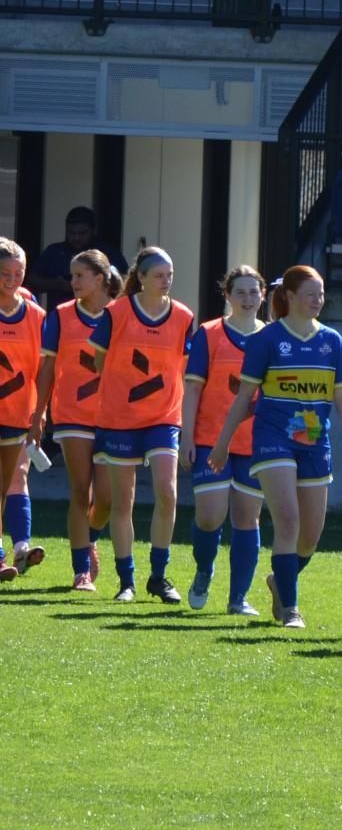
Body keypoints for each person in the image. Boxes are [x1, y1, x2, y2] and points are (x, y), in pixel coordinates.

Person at [207, 266, 342, 630]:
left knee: (311, 534)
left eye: (321, 293)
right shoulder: (267, 340)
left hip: (315, 444)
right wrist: (222, 444)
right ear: (289, 296)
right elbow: (243, 399)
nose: (318, 300)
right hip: (273, 439)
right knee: (287, 520)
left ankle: (279, 580)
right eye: (311, 293)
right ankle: (291, 609)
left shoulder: (334, 341)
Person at [87, 246, 195, 604]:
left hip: (164, 417)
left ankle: (159, 576)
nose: (167, 281)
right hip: (120, 419)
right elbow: (99, 361)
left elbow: (181, 366)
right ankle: (126, 581)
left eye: (171, 275)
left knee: (168, 491)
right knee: (124, 501)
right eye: (160, 275)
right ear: (143, 278)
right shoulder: (116, 314)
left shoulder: (182, 316)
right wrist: (119, 395)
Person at [179, 265, 266, 616]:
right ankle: (204, 569)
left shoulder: (273, 336)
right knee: (210, 517)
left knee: (248, 519)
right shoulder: (208, 334)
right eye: (240, 292)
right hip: (210, 440)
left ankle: (238, 598)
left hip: (256, 443)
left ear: (263, 295)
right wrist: (187, 437)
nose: (247, 299)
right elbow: (193, 388)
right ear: (227, 296)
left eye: (253, 292)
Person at [36, 251, 120, 590]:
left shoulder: (120, 315)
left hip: (113, 417)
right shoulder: (61, 316)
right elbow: (47, 371)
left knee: (107, 499)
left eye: (79, 276)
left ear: (99, 279)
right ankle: (80, 571)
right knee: (80, 492)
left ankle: (91, 536)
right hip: (72, 415)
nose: (72, 282)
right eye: (72, 276)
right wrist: (39, 412)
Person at [0, 238, 44, 583]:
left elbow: (42, 369)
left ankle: (21, 548)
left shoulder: (35, 316)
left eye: (19, 272)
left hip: (19, 412)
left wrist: (40, 412)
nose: (12, 278)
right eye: (5, 273)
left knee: (17, 478)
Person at [31, 207, 124, 306]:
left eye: (82, 233)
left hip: (98, 316)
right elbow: (32, 281)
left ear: (94, 230)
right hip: (61, 317)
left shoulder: (107, 252)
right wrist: (56, 284)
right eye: (71, 233)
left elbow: (123, 282)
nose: (76, 238)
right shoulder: (54, 252)